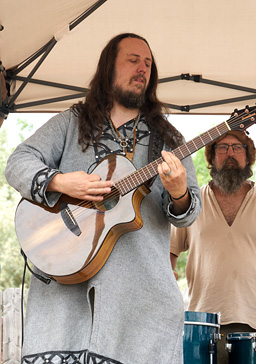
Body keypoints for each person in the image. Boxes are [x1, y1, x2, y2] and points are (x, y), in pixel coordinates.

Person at [5, 33, 201, 364]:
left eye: (149, 64)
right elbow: (18, 162)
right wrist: (63, 182)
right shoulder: (72, 121)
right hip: (63, 294)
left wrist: (179, 191)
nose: (143, 69)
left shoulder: (169, 139)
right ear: (109, 67)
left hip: (138, 297)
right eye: (133, 60)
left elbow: (189, 211)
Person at [170, 130, 256, 364]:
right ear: (211, 158)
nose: (230, 153)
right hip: (204, 327)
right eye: (222, 148)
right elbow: (168, 253)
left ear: (248, 157)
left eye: (237, 147)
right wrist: (167, 280)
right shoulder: (193, 204)